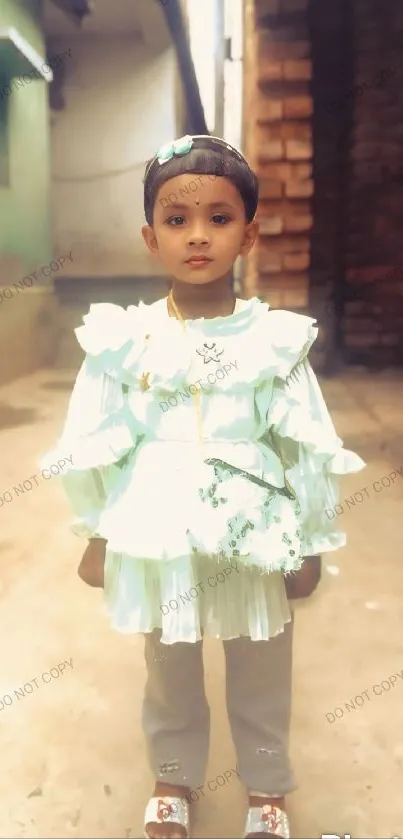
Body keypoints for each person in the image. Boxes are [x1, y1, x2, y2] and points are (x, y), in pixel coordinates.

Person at [40, 134, 365, 839]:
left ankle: (266, 785)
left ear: (247, 235)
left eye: (218, 219)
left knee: (260, 662)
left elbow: (302, 442)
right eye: (176, 219)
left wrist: (308, 539)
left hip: (254, 528)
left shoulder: (274, 342)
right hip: (157, 528)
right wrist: (98, 530)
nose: (196, 236)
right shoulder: (125, 342)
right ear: (149, 235)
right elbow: (97, 437)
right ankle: (174, 774)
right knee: (169, 661)